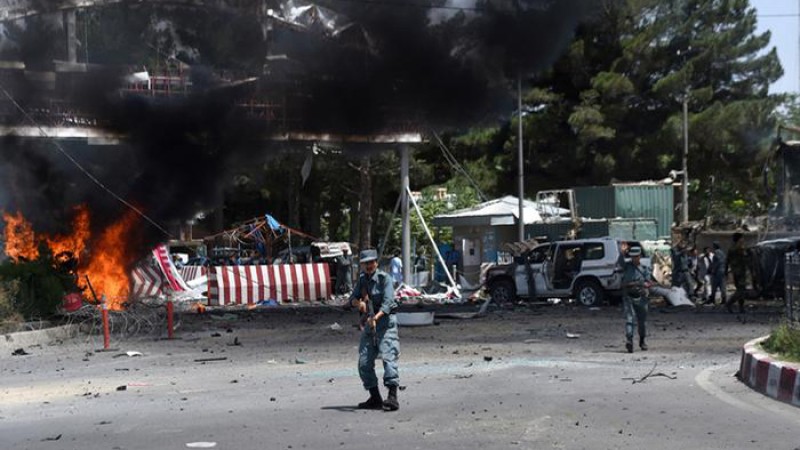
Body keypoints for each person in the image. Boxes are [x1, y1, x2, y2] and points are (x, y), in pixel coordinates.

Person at [349, 249, 401, 411]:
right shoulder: (362, 280)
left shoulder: (385, 279)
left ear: (376, 263)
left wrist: (375, 318)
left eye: (372, 262)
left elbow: (387, 304)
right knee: (364, 361)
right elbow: (351, 299)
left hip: (385, 323)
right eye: (366, 263)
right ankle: (375, 397)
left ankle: (392, 397)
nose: (369, 266)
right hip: (370, 324)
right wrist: (359, 304)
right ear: (363, 265)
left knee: (388, 358)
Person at [622, 246, 653, 353]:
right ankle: (629, 340)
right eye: (632, 257)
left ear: (640, 256)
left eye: (636, 256)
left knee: (642, 322)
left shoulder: (644, 269)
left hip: (642, 297)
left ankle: (642, 341)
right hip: (629, 296)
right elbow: (624, 283)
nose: (634, 259)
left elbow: (649, 282)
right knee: (629, 320)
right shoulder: (626, 267)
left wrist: (644, 285)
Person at [726, 233, 749, 314]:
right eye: (742, 238)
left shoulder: (731, 248)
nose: (743, 240)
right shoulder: (739, 248)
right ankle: (729, 303)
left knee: (740, 289)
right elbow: (745, 259)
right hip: (740, 271)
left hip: (735, 271)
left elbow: (727, 260)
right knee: (741, 290)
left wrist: (726, 271)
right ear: (739, 239)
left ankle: (741, 308)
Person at [709, 241, 727, 306]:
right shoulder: (723, 253)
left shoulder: (716, 252)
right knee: (722, 286)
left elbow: (717, 262)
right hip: (723, 271)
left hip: (718, 272)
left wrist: (713, 270)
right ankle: (724, 299)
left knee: (714, 285)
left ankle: (712, 299)